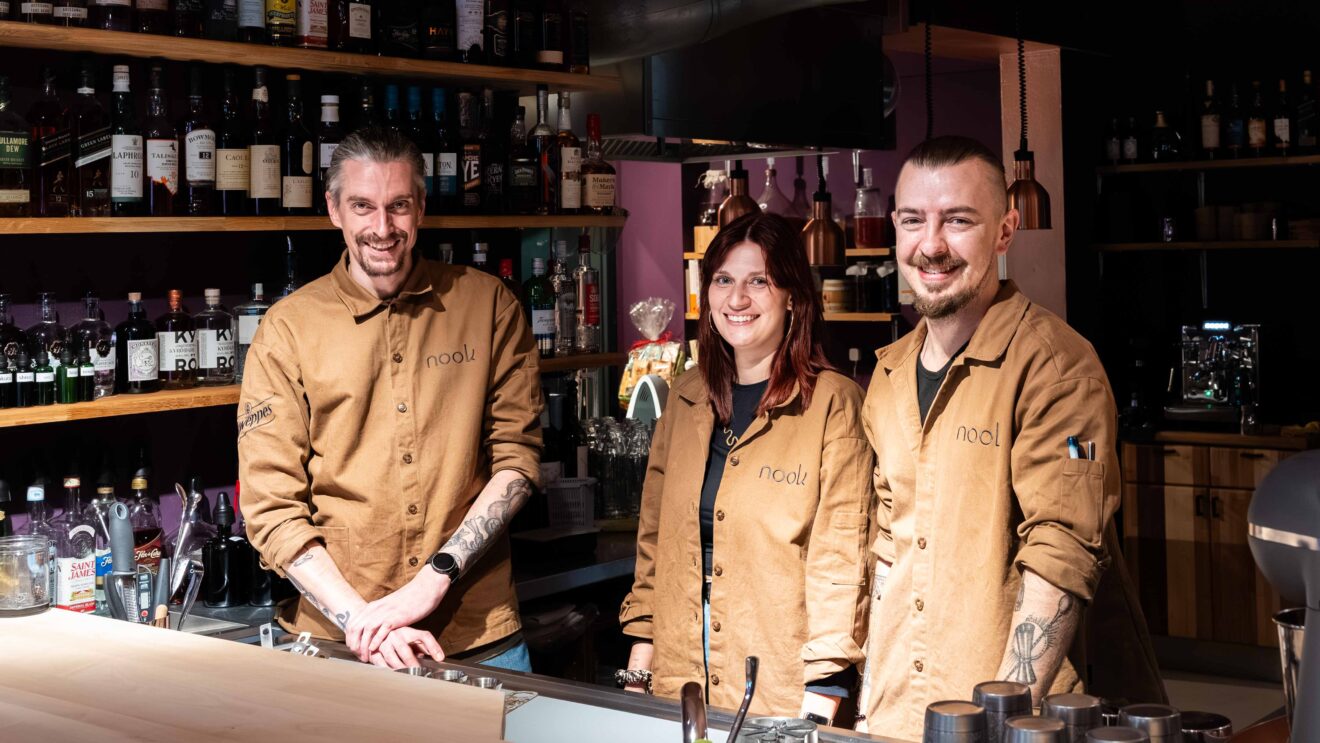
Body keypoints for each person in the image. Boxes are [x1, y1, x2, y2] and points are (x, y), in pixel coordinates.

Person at [856, 136, 1164, 738]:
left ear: (1005, 231)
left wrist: (1005, 719)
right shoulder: (888, 375)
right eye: (914, 220)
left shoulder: (1058, 368)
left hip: (1019, 718)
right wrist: (871, 701)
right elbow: (890, 550)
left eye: (959, 220)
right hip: (900, 712)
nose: (932, 245)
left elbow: (1063, 552)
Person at [238, 127, 542, 671]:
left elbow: (517, 462)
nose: (382, 228)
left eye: (398, 205)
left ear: (421, 207)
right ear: (333, 210)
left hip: (477, 635)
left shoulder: (488, 305)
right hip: (336, 648)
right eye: (362, 206)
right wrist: (363, 622)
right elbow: (270, 511)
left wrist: (434, 579)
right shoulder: (287, 330)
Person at [618, 212, 872, 722]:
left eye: (759, 281)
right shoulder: (686, 396)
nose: (737, 299)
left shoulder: (832, 404)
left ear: (793, 297)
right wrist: (638, 671)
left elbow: (842, 566)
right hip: (680, 675)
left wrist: (819, 708)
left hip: (779, 682)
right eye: (724, 280)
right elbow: (654, 542)